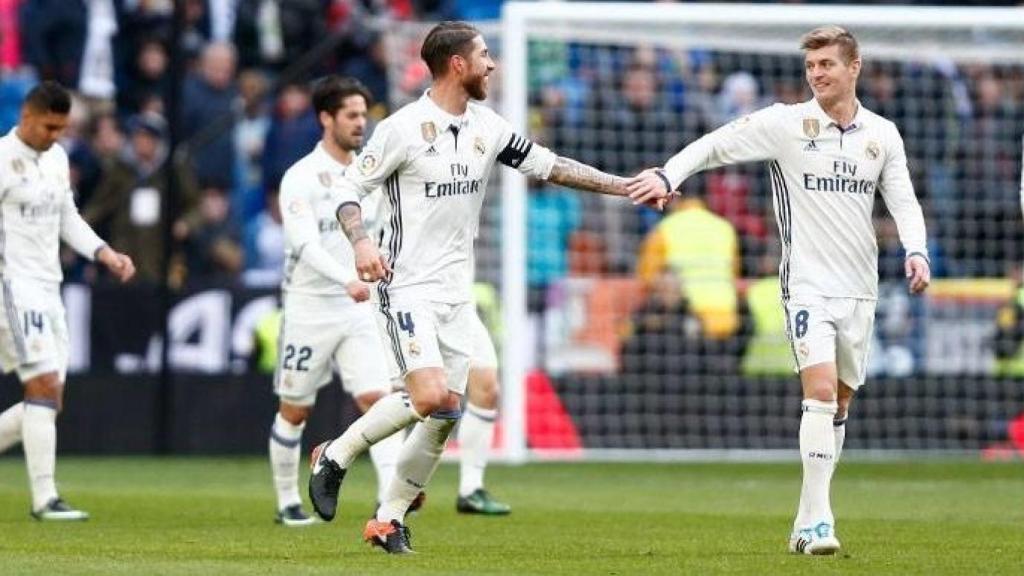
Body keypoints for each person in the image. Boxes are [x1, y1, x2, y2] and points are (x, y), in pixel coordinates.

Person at [307, 21, 668, 554]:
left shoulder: (488, 127)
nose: (492, 64)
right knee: (427, 397)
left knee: (446, 411)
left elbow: (554, 167)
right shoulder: (403, 129)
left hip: (457, 293)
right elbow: (348, 188)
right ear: (458, 65)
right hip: (405, 285)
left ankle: (387, 520)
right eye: (483, 55)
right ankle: (334, 455)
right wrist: (361, 243)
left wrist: (624, 186)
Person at [628, 26, 931, 556]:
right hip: (806, 285)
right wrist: (668, 174)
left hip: (860, 288)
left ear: (854, 67)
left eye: (827, 65)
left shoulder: (882, 134)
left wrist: (916, 249)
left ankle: (805, 517)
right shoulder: (784, 124)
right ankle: (819, 523)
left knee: (838, 405)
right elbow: (713, 145)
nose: (816, 74)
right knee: (817, 394)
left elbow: (902, 199)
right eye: (811, 66)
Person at [267, 76, 403, 526]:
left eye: (364, 114)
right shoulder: (300, 177)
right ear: (326, 118)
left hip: (359, 307)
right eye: (351, 115)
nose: (361, 123)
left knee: (377, 399)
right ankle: (288, 501)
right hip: (310, 304)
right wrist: (346, 278)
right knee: (295, 409)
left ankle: (390, 502)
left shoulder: (370, 174)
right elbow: (304, 244)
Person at [0, 81, 135, 520]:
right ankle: (45, 500)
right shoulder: (2, 160)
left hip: (48, 287)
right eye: (49, 127)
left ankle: (47, 498)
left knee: (49, 400)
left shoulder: (56, 158)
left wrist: (104, 252)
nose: (55, 136)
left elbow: (68, 217)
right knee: (40, 387)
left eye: (62, 128)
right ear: (26, 117)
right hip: (11, 288)